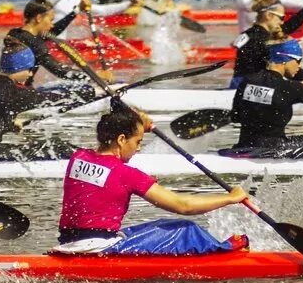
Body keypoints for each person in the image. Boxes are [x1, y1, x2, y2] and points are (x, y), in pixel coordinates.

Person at [56, 106, 250, 254]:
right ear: (122, 139)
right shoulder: (128, 174)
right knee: (185, 229)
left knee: (158, 226)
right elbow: (184, 206)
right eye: (138, 141)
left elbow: (106, 183)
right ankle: (223, 250)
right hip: (100, 248)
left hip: (68, 242)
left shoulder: (79, 157)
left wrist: (137, 123)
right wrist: (230, 198)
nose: (138, 148)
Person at [230, 0, 303, 88]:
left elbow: (293, 24)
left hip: (238, 85)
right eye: (281, 17)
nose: (282, 22)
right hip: (251, 88)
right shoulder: (265, 39)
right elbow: (291, 73)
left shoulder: (250, 34)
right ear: (269, 15)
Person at [4, 0, 112, 86]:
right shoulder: (36, 44)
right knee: (85, 91)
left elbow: (53, 31)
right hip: (22, 95)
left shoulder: (15, 33)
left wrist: (77, 10)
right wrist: (95, 76)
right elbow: (60, 71)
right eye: (51, 20)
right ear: (38, 18)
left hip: (7, 89)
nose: (52, 25)